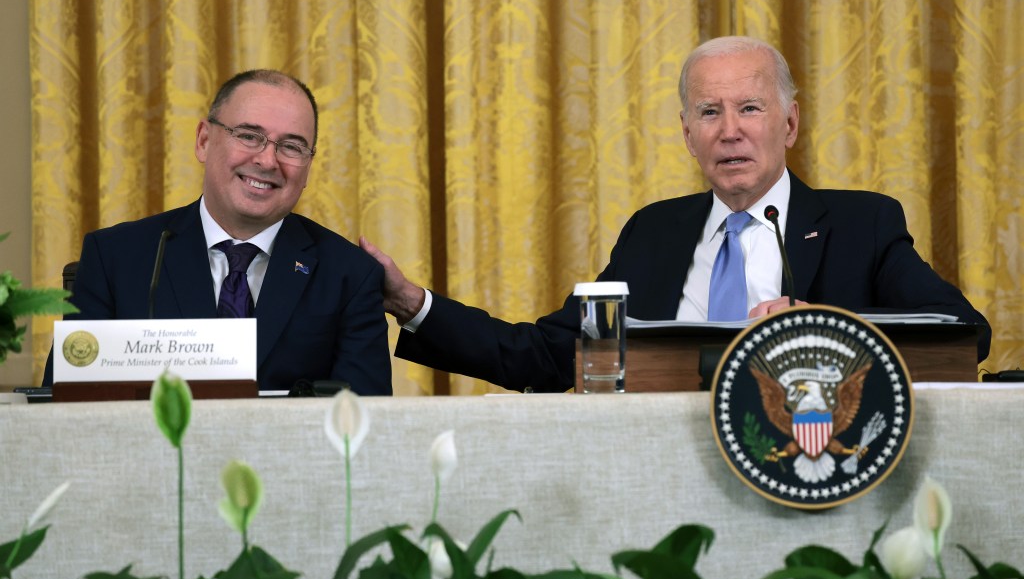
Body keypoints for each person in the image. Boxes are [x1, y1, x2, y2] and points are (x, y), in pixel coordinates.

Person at [360, 36, 991, 393]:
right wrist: (414, 303)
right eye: (709, 114)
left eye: (750, 108)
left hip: (807, 462)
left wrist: (828, 327)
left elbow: (963, 334)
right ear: (687, 135)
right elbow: (556, 354)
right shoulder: (654, 231)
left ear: (790, 123)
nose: (730, 132)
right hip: (656, 464)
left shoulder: (862, 225)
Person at [44, 70, 392, 394]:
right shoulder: (116, 258)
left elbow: (364, 426)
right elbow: (67, 405)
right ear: (204, 141)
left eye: (292, 146)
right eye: (249, 136)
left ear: (309, 167)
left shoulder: (350, 275)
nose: (268, 161)